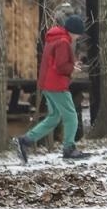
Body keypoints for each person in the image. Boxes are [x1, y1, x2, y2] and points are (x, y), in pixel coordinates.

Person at [17, 15, 90, 162]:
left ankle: (25, 140)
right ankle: (69, 148)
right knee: (71, 116)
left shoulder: (54, 39)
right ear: (73, 31)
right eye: (78, 34)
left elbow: (55, 63)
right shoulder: (63, 42)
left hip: (47, 84)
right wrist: (73, 69)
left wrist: (71, 65)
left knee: (54, 117)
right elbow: (61, 66)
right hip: (56, 85)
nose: (78, 37)